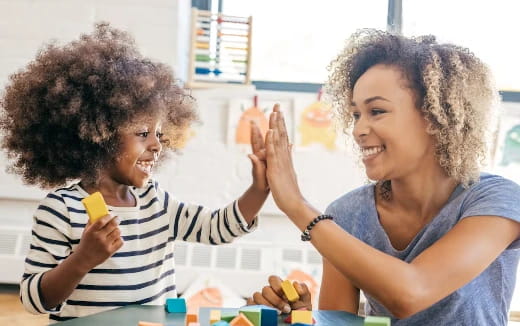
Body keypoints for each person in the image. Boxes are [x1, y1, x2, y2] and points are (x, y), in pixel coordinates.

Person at [0, 23, 269, 322]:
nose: (157, 145)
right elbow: (34, 300)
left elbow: (215, 228)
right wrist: (82, 260)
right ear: (98, 136)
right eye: (143, 133)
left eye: (158, 133)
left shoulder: (155, 201)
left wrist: (259, 189)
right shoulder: (61, 210)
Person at [248, 29, 520, 325]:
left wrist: (296, 204)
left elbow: (412, 292)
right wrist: (299, 315)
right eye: (355, 115)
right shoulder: (347, 215)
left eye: (376, 111)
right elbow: (341, 322)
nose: (358, 130)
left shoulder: (496, 201)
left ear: (434, 116)